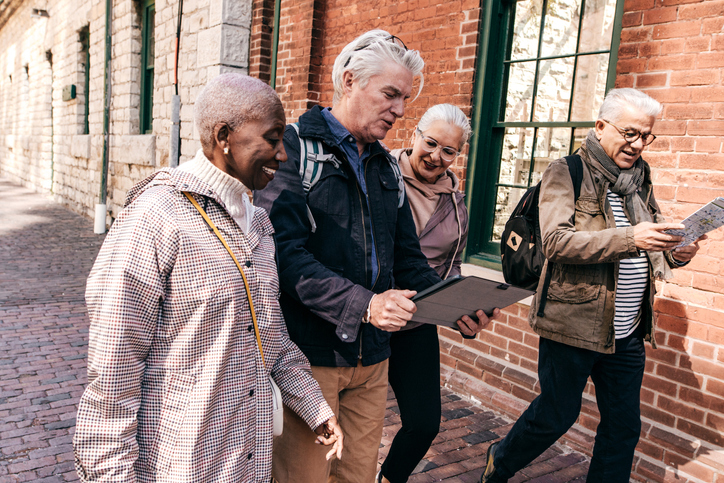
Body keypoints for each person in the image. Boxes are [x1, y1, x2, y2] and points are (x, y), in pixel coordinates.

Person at [254, 30, 498, 483]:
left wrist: (455, 303)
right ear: (350, 82)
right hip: (310, 359)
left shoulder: (385, 165)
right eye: (390, 94)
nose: (401, 110)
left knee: (357, 477)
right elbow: (282, 255)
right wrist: (365, 305)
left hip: (372, 362)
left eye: (405, 98)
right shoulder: (292, 150)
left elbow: (406, 258)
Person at [73, 74, 342, 483]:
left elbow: (270, 339)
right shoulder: (156, 216)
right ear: (224, 137)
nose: (284, 155)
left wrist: (314, 408)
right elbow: (113, 370)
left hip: (247, 462)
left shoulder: (259, 225)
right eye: (272, 138)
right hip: (181, 466)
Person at [480, 88, 704, 483]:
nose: (638, 144)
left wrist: (676, 252)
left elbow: (649, 241)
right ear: (601, 127)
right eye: (630, 133)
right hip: (573, 325)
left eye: (646, 136)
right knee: (556, 416)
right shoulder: (566, 172)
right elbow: (555, 242)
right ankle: (501, 459)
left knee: (623, 427)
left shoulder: (640, 178)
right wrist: (632, 237)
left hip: (628, 331)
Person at [379, 104, 472, 483]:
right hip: (368, 312)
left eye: (448, 151)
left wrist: (465, 307)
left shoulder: (455, 201)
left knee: (423, 422)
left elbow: (453, 267)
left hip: (416, 320)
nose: (436, 156)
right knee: (349, 422)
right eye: (431, 143)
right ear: (414, 135)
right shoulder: (379, 174)